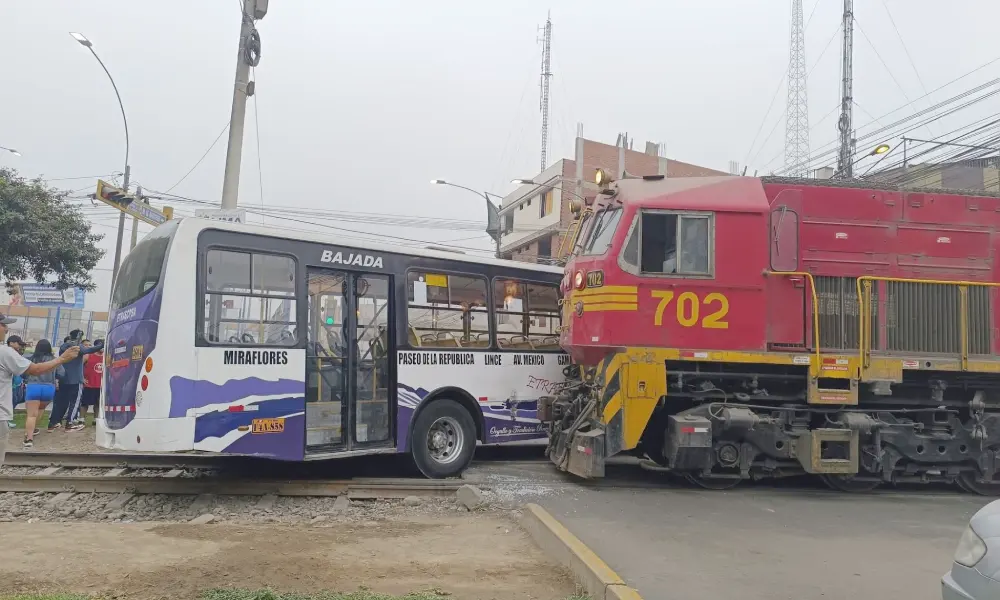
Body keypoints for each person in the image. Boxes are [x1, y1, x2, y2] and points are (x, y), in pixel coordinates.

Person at [0, 315, 79, 464]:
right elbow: (40, 371)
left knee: (30, 415)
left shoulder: (30, 356)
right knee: (39, 413)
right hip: (47, 389)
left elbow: (28, 372)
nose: (6, 329)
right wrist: (61, 359)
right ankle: (35, 431)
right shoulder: (4, 352)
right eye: (3, 325)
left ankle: (28, 438)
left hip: (33, 388)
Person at [48, 330, 102, 433]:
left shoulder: (64, 346)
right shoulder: (77, 347)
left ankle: (53, 423)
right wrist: (100, 344)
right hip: (76, 380)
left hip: (64, 378)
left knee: (60, 402)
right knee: (75, 402)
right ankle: (70, 423)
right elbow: (90, 350)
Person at [22, 339, 60, 448]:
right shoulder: (54, 360)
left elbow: (22, 372)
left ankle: (28, 438)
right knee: (41, 409)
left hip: (34, 386)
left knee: (31, 415)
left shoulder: (30, 359)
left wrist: (26, 379)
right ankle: (33, 429)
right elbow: (62, 373)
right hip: (49, 387)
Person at [80, 339, 103, 426]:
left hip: (100, 385)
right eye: (101, 346)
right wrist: (81, 378)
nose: (103, 348)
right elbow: (78, 366)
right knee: (85, 403)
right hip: (89, 384)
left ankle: (95, 419)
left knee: (98, 403)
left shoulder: (106, 356)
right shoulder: (88, 356)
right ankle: (81, 419)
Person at [6, 335, 25, 429]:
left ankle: (7, 420)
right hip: (10, 384)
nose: (20, 346)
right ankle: (6, 421)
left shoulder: (17, 353)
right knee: (9, 402)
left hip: (17, 383)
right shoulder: (7, 354)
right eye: (18, 344)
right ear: (11, 343)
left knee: (15, 401)